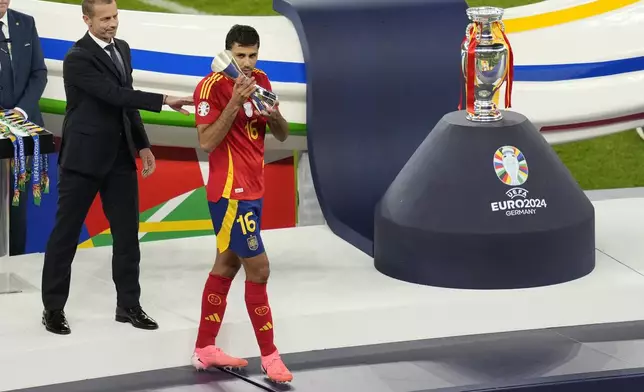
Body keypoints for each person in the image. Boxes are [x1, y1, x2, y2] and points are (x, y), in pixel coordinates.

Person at [40, 0, 193, 335]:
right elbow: (114, 95)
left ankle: (129, 305)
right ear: (87, 19)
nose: (112, 24)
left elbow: (126, 103)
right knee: (65, 237)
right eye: (104, 19)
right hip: (83, 160)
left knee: (127, 236)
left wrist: (142, 144)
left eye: (115, 17)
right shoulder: (77, 58)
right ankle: (52, 309)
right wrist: (165, 100)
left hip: (119, 159)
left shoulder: (122, 49)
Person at [190, 25, 292, 383]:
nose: (247, 63)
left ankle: (205, 348)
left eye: (252, 55)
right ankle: (270, 356)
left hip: (255, 191)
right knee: (259, 269)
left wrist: (271, 109)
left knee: (226, 266)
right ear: (228, 53)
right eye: (240, 55)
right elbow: (206, 142)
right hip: (230, 195)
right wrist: (236, 100)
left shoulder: (261, 79)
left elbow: (282, 133)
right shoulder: (210, 87)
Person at [0, 0, 48, 256]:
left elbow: (39, 73)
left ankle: (15, 262)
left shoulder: (24, 23)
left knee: (17, 203)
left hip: (23, 129)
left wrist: (19, 112)